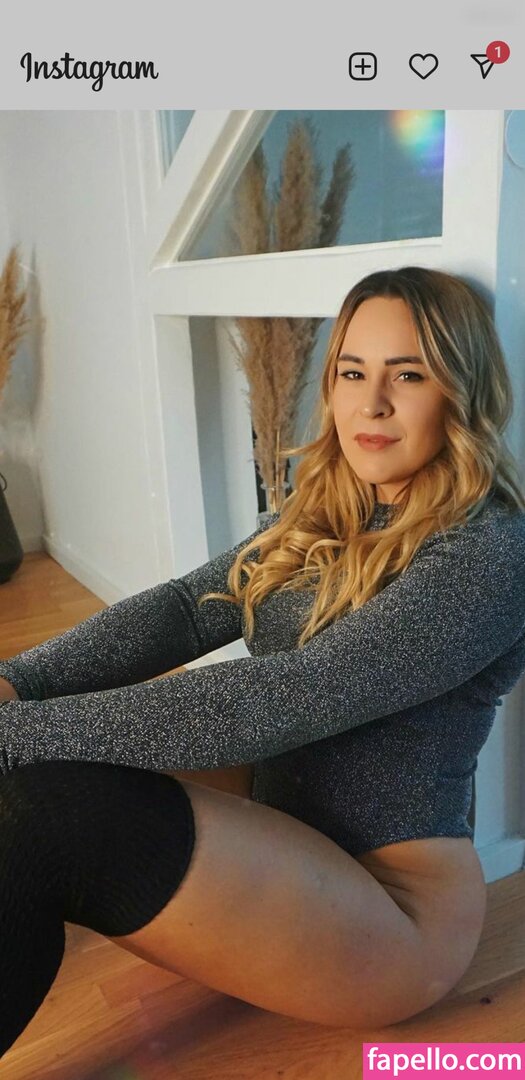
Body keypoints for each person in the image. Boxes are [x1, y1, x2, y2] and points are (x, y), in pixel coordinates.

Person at [0, 265, 524, 1052]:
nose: (371, 403)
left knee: (48, 806)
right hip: (281, 831)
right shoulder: (325, 510)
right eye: (352, 372)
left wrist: (14, 733)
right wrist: (19, 682)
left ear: (462, 389)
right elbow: (187, 608)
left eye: (408, 375)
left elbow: (288, 695)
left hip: (389, 910)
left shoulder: (488, 551)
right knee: (31, 770)